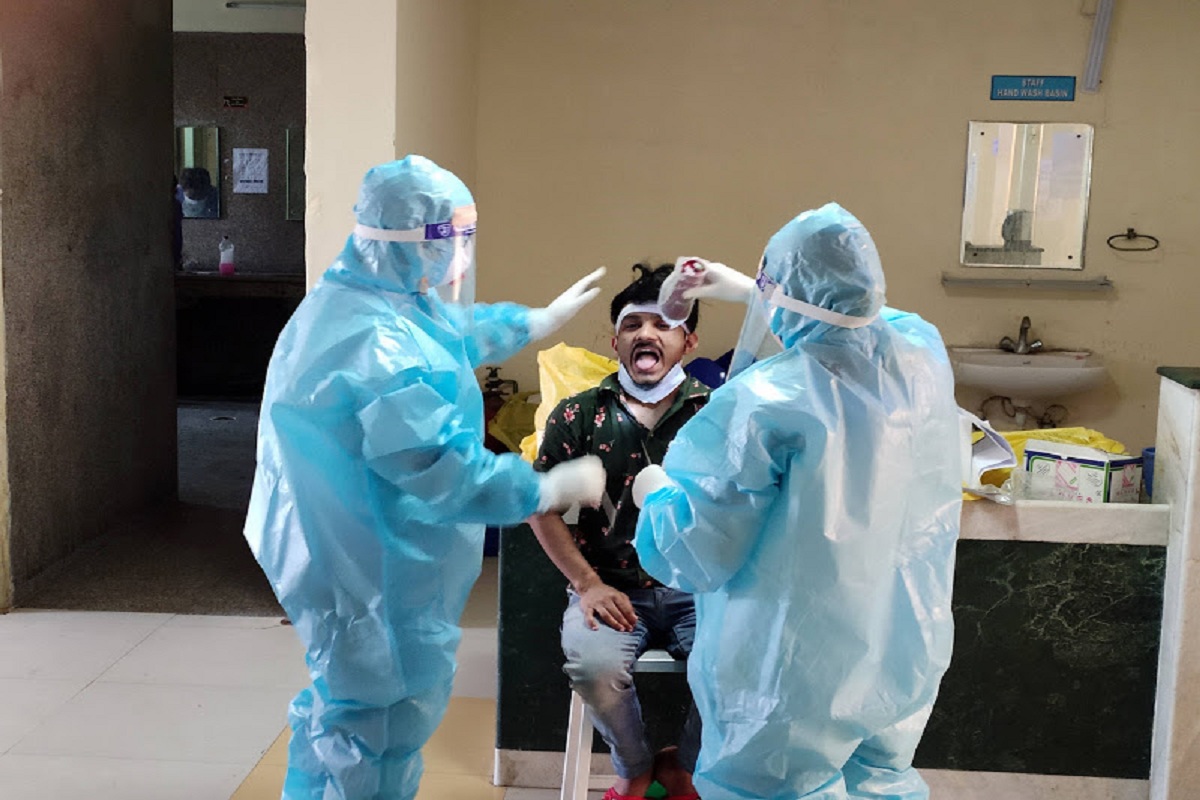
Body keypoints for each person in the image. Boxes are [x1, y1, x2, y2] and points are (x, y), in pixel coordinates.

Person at [244, 155, 608, 800]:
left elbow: (444, 331)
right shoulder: (373, 344)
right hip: (372, 562)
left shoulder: (368, 298)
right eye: (449, 240)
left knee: (351, 710)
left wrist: (531, 322)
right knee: (376, 717)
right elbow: (441, 468)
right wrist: (544, 489)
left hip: (352, 540)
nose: (458, 257)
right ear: (407, 239)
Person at [632, 203, 962, 800]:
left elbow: (696, 552)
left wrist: (654, 493)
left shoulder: (765, 401)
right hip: (895, 652)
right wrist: (751, 291)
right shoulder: (919, 353)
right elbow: (858, 319)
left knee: (773, 787)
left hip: (787, 673)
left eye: (770, 286)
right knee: (878, 782)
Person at [529, 264, 709, 800]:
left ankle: (684, 767)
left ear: (688, 341)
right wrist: (588, 584)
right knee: (594, 667)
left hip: (698, 591)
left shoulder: (715, 414)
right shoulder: (579, 415)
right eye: (632, 325)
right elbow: (540, 508)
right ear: (616, 342)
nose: (645, 334)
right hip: (608, 589)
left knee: (740, 665)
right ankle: (634, 770)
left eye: (663, 324)